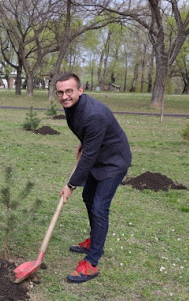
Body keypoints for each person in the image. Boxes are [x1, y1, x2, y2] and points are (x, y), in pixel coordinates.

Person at [56, 72, 131, 283]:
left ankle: (92, 263)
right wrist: (87, 140)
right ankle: (95, 239)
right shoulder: (73, 108)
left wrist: (71, 184)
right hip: (98, 155)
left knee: (99, 207)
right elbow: (89, 141)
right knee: (88, 198)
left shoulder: (93, 114)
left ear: (80, 90)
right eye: (60, 92)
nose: (64, 96)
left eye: (69, 91)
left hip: (113, 162)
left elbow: (88, 157)